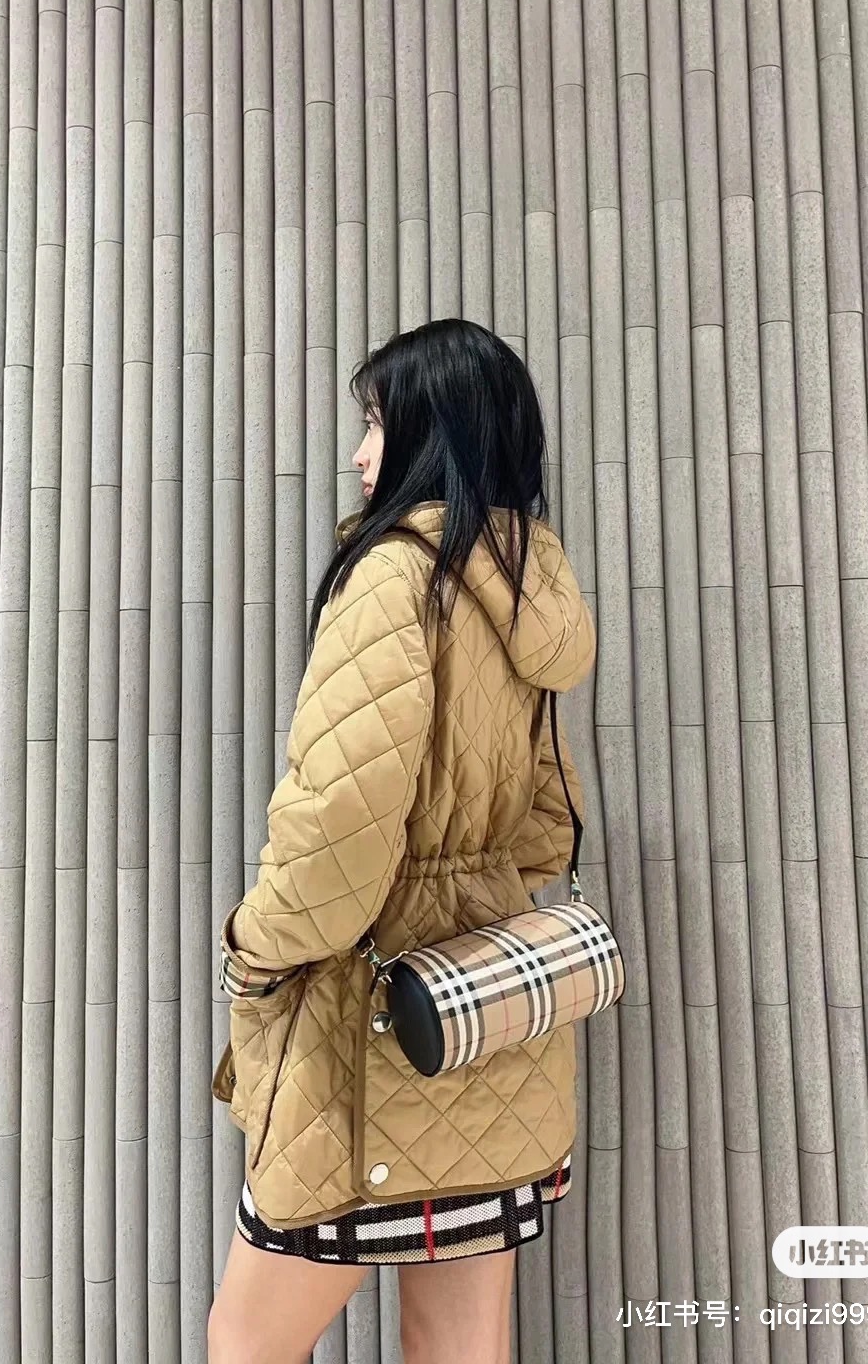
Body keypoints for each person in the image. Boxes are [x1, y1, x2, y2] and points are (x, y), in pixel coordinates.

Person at [207, 318, 596, 1364]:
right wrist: (471, 889)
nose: (358, 453)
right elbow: (548, 820)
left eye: (376, 422)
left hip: (366, 1018)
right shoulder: (523, 590)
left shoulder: (393, 577)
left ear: (435, 429)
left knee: (244, 1342)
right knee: (461, 1344)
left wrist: (257, 950)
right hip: (484, 1014)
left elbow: (339, 818)